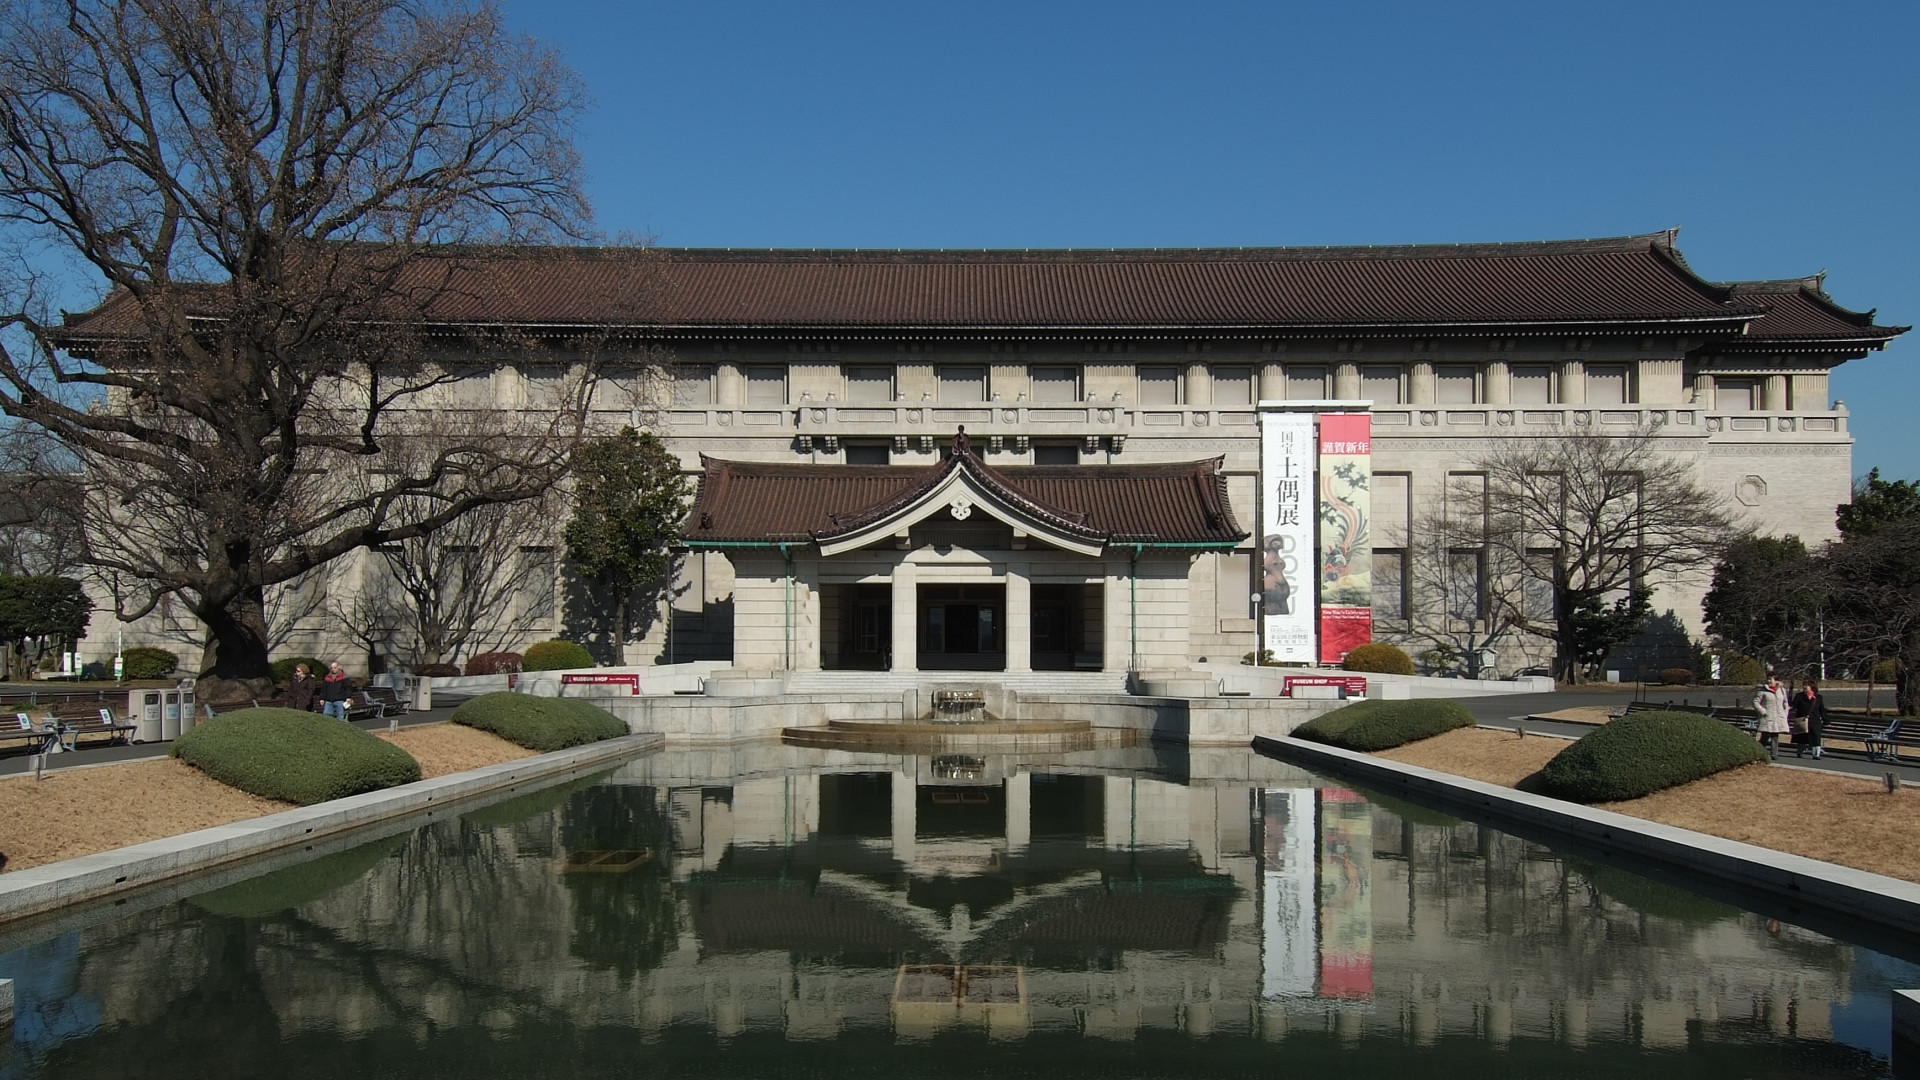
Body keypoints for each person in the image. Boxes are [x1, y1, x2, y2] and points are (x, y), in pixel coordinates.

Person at [1753, 673, 1791, 759]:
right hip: (1767, 717)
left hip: (1778, 717)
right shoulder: (1762, 690)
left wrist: (1785, 713)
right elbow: (1755, 702)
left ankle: (1774, 754)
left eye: (1771, 679)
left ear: (1776, 680)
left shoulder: (1781, 690)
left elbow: (1785, 703)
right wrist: (1763, 711)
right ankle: (1759, 752)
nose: (1769, 681)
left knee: (1775, 736)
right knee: (1765, 736)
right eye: (1768, 679)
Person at [1790, 680, 1828, 759]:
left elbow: (1822, 710)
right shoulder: (1799, 696)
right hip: (1802, 720)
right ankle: (1800, 751)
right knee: (1802, 736)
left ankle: (1816, 754)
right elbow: (1793, 706)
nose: (1804, 687)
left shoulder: (1818, 697)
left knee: (1816, 737)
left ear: (1812, 687)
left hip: (1814, 720)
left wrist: (1825, 720)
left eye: (1806, 685)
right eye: (1803, 685)